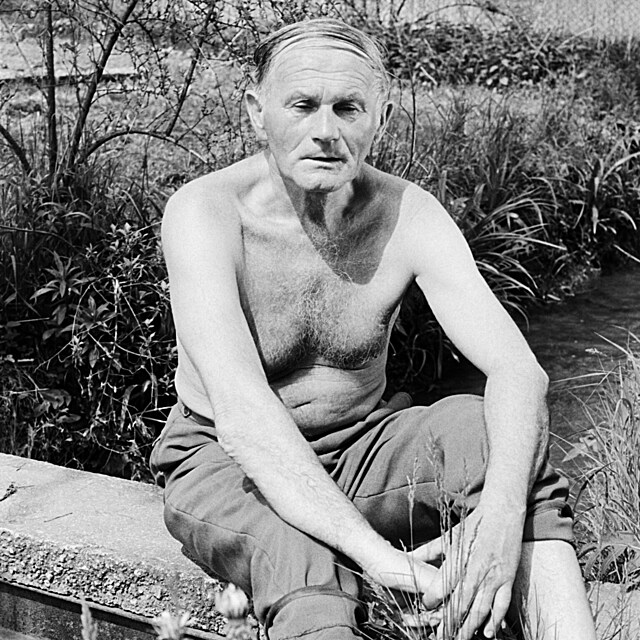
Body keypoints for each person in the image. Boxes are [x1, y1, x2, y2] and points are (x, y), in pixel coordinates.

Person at [150, 17, 597, 640]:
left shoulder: (407, 213)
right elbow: (244, 417)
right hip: (225, 461)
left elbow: (519, 371)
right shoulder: (205, 212)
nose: (325, 130)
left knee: (494, 437)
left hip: (363, 446)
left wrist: (500, 520)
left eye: (348, 108)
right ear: (257, 113)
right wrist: (378, 557)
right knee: (302, 559)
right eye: (302, 105)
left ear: (380, 118)